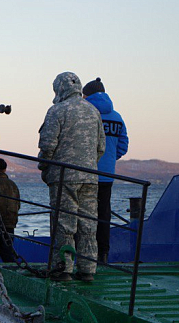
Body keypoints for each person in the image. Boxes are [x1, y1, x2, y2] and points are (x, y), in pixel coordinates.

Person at [38, 72, 105, 282]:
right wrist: (89, 165)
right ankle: (87, 269)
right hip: (90, 177)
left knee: (64, 224)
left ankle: (63, 268)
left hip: (63, 177)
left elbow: (48, 145)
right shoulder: (94, 112)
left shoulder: (57, 111)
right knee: (88, 225)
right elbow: (101, 146)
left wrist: (44, 167)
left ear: (59, 88)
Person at [83, 78, 129, 263]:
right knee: (104, 214)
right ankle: (103, 254)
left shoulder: (86, 115)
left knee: (83, 214)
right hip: (107, 175)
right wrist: (109, 159)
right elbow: (123, 145)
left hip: (86, 172)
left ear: (87, 95)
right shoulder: (117, 117)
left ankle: (85, 255)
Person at [0, 158, 20, 262]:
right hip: (10, 224)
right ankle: (11, 269)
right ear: (5, 169)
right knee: (7, 253)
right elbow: (18, 205)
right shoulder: (13, 185)